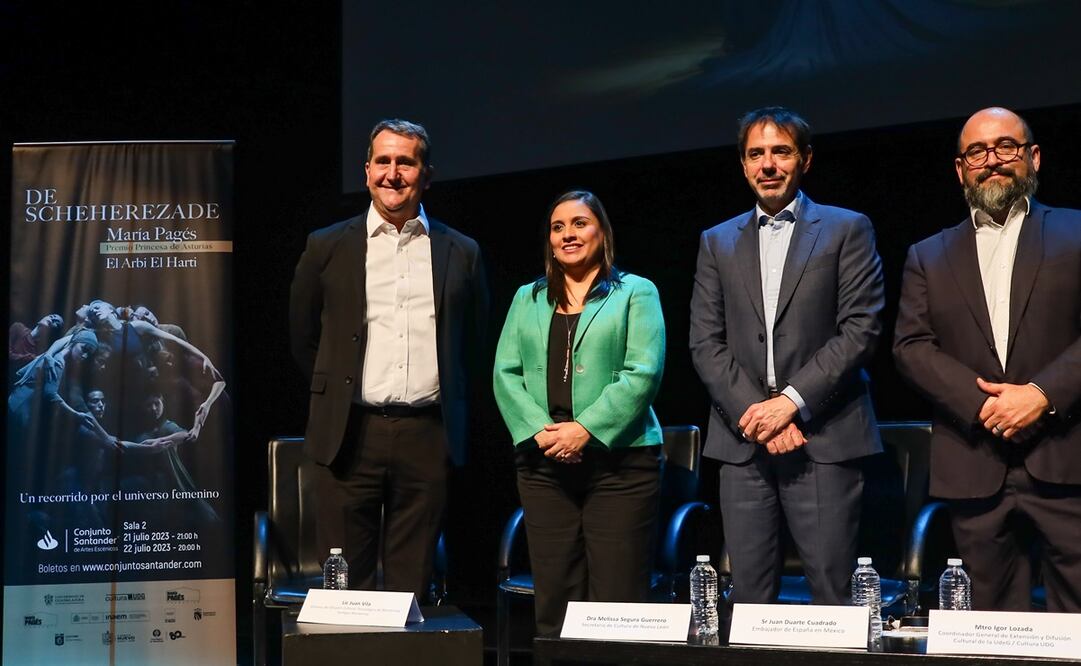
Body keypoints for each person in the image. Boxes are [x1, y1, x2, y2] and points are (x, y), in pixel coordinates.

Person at [689, 107, 884, 604]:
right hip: (743, 442)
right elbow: (705, 343)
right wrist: (760, 415)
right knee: (749, 600)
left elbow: (860, 329)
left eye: (781, 152)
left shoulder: (847, 229)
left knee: (834, 594)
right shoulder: (716, 241)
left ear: (805, 160)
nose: (768, 164)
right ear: (743, 164)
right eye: (757, 154)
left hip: (824, 435)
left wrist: (790, 403)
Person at [290, 118, 488, 599]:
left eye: (406, 161)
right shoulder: (326, 246)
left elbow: (476, 345)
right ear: (366, 171)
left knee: (411, 586)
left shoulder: (462, 251)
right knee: (345, 588)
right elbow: (303, 338)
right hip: (349, 431)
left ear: (426, 173)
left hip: (427, 434)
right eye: (383, 161)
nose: (393, 173)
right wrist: (339, 389)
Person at [894, 107, 1081, 612]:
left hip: (1067, 458)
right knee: (991, 631)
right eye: (977, 151)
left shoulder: (1076, 232)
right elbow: (911, 347)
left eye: (1006, 147)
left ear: (1033, 157)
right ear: (961, 168)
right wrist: (986, 407)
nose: (992, 160)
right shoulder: (927, 255)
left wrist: (1040, 395)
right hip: (974, 462)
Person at [493, 190, 666, 634]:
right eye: (558, 227)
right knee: (555, 600)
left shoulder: (636, 291)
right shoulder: (526, 297)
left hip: (621, 464)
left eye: (580, 223)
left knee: (617, 599)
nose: (568, 233)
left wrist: (585, 430)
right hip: (543, 462)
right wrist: (542, 433)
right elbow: (505, 374)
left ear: (601, 232)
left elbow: (642, 373)